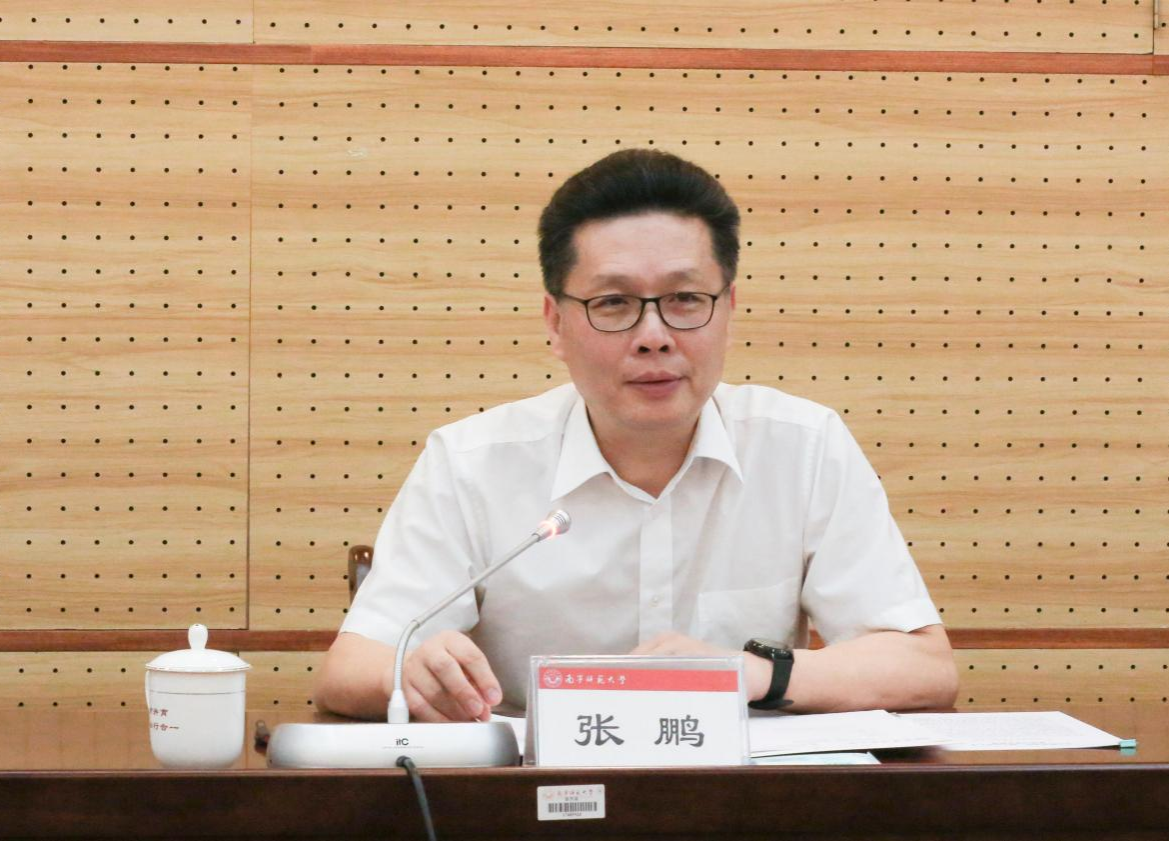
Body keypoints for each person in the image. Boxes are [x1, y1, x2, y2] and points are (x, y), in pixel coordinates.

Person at [314, 149, 958, 722]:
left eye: (685, 299)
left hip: (741, 795)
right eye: (614, 303)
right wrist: (409, 672)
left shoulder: (804, 447)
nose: (654, 336)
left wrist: (743, 673)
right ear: (555, 323)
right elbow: (348, 670)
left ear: (729, 310)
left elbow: (923, 668)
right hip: (534, 796)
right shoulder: (471, 462)